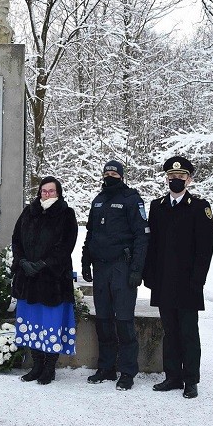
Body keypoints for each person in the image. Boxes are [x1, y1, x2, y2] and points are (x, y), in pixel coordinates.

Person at [143, 157, 213, 399]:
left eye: (181, 177)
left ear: (189, 179)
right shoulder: (157, 206)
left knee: (188, 333)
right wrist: (149, 275)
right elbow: (151, 245)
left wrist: (198, 280)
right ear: (167, 179)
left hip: (188, 283)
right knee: (170, 331)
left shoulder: (199, 207)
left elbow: (206, 248)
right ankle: (172, 376)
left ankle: (191, 379)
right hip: (163, 281)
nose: (176, 180)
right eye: (172, 177)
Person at [80, 160, 149, 391]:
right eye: (107, 172)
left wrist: (137, 270)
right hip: (101, 268)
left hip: (122, 267)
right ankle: (106, 367)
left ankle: (128, 371)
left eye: (114, 173)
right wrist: (85, 261)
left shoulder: (132, 199)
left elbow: (142, 236)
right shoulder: (98, 200)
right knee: (104, 320)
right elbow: (90, 233)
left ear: (121, 176)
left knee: (124, 321)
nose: (110, 175)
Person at [12, 176, 79, 385]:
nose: (47, 194)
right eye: (44, 190)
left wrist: (43, 264)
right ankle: (37, 365)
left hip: (53, 280)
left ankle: (50, 368)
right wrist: (22, 261)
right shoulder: (29, 211)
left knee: (50, 323)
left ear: (58, 193)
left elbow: (67, 245)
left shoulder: (66, 214)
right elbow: (16, 238)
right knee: (32, 322)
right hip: (29, 280)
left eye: (51, 191)